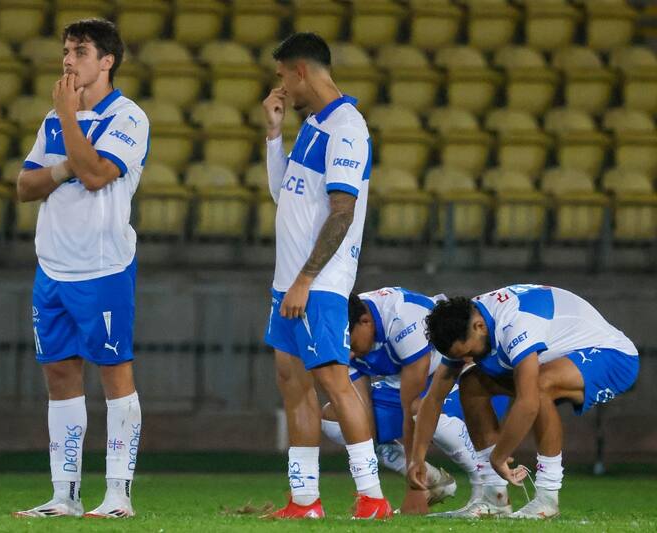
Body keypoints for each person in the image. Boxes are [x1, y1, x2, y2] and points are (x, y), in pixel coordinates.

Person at [13, 18, 149, 519]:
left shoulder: (129, 118)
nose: (68, 60)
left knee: (116, 376)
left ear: (107, 61)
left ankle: (118, 495)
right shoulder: (54, 117)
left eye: (80, 51)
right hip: (53, 267)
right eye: (66, 50)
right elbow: (25, 186)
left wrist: (70, 125)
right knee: (61, 378)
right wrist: (66, 161)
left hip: (103, 268)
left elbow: (95, 175)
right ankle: (64, 494)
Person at [261, 32, 392, 520]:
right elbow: (285, 195)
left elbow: (342, 212)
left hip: (318, 284)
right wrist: (274, 135)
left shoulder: (347, 127)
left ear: (299, 72)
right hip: (289, 283)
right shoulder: (314, 124)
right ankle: (304, 501)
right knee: (292, 384)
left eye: (282, 77)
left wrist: (305, 280)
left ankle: (373, 498)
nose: (280, 89)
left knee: (336, 382)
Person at [408, 284, 640, 519]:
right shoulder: (468, 323)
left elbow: (528, 403)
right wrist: (417, 459)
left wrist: (499, 456)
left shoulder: (516, 322)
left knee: (540, 386)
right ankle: (494, 499)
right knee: (470, 383)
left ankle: (547, 500)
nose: (467, 360)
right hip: (560, 358)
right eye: (459, 357)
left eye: (468, 352)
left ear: (479, 326)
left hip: (613, 356)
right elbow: (433, 398)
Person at [320, 288, 509, 514]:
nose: (349, 354)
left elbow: (411, 405)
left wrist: (413, 493)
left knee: (420, 410)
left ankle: (489, 489)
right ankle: (430, 479)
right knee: (335, 419)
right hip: (400, 390)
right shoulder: (342, 335)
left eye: (351, 345)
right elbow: (363, 414)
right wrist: (370, 487)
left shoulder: (405, 320)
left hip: (457, 385)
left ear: (366, 321)